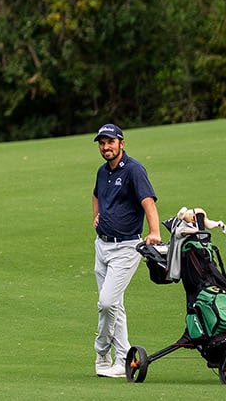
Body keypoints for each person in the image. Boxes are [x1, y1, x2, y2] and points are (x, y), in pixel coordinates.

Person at [91, 122, 161, 378]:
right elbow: (96, 195)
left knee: (107, 302)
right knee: (114, 306)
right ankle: (122, 361)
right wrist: (96, 216)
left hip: (127, 247)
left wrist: (154, 232)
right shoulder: (102, 171)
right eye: (102, 142)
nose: (105, 146)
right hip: (102, 246)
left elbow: (148, 201)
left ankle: (100, 350)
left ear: (122, 143)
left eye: (110, 142)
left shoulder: (133, 170)